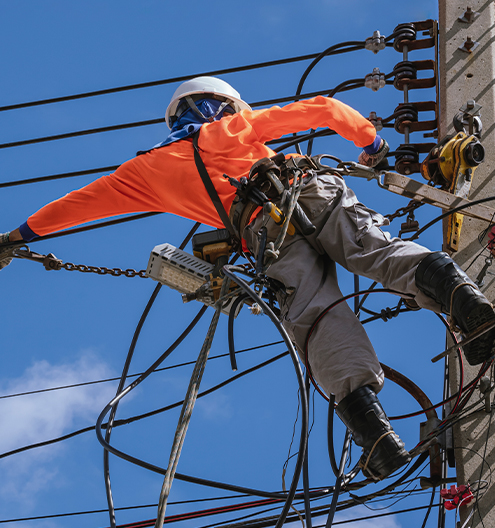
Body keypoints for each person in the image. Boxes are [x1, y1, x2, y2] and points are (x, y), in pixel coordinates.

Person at [1, 76, 494, 480]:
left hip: (264, 232)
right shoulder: (230, 130)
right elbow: (324, 108)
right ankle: (470, 310)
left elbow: (75, 206)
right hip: (307, 191)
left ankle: (376, 437)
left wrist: (17, 237)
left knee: (315, 315)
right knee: (379, 253)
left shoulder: (141, 172)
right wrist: (374, 143)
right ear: (220, 107)